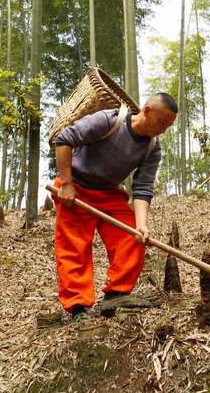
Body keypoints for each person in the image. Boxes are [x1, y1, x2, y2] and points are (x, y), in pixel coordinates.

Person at [53, 93, 178, 318]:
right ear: (147, 111)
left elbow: (143, 188)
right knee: (74, 247)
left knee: (132, 236)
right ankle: (78, 306)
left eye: (168, 126)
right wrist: (67, 183)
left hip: (109, 194)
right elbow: (64, 139)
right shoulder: (110, 120)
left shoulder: (152, 148)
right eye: (162, 122)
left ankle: (116, 294)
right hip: (76, 188)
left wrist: (141, 225)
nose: (164, 130)